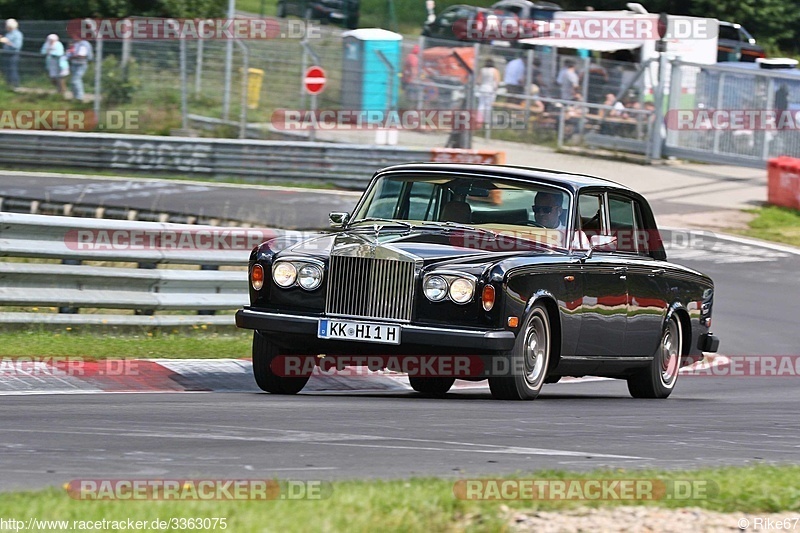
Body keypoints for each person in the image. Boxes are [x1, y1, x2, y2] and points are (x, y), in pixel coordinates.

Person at [66, 34, 93, 101]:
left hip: (81, 64)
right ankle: (75, 96)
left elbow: (82, 55)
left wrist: (72, 56)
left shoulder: (84, 44)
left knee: (76, 80)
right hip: (74, 64)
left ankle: (79, 97)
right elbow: (69, 53)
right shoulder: (74, 44)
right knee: (73, 81)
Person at [476, 59, 500, 129]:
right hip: (490, 89)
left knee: (481, 105)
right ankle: (487, 122)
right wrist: (495, 89)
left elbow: (478, 81)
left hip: (483, 88)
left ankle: (479, 121)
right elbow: (497, 80)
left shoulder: (482, 70)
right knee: (488, 106)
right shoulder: (495, 71)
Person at [1, 19, 23, 89]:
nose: (5, 27)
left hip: (13, 55)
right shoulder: (8, 34)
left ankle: (16, 85)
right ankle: (9, 85)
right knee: (7, 70)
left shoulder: (18, 34)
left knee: (13, 70)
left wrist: (7, 42)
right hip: (6, 54)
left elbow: (17, 46)